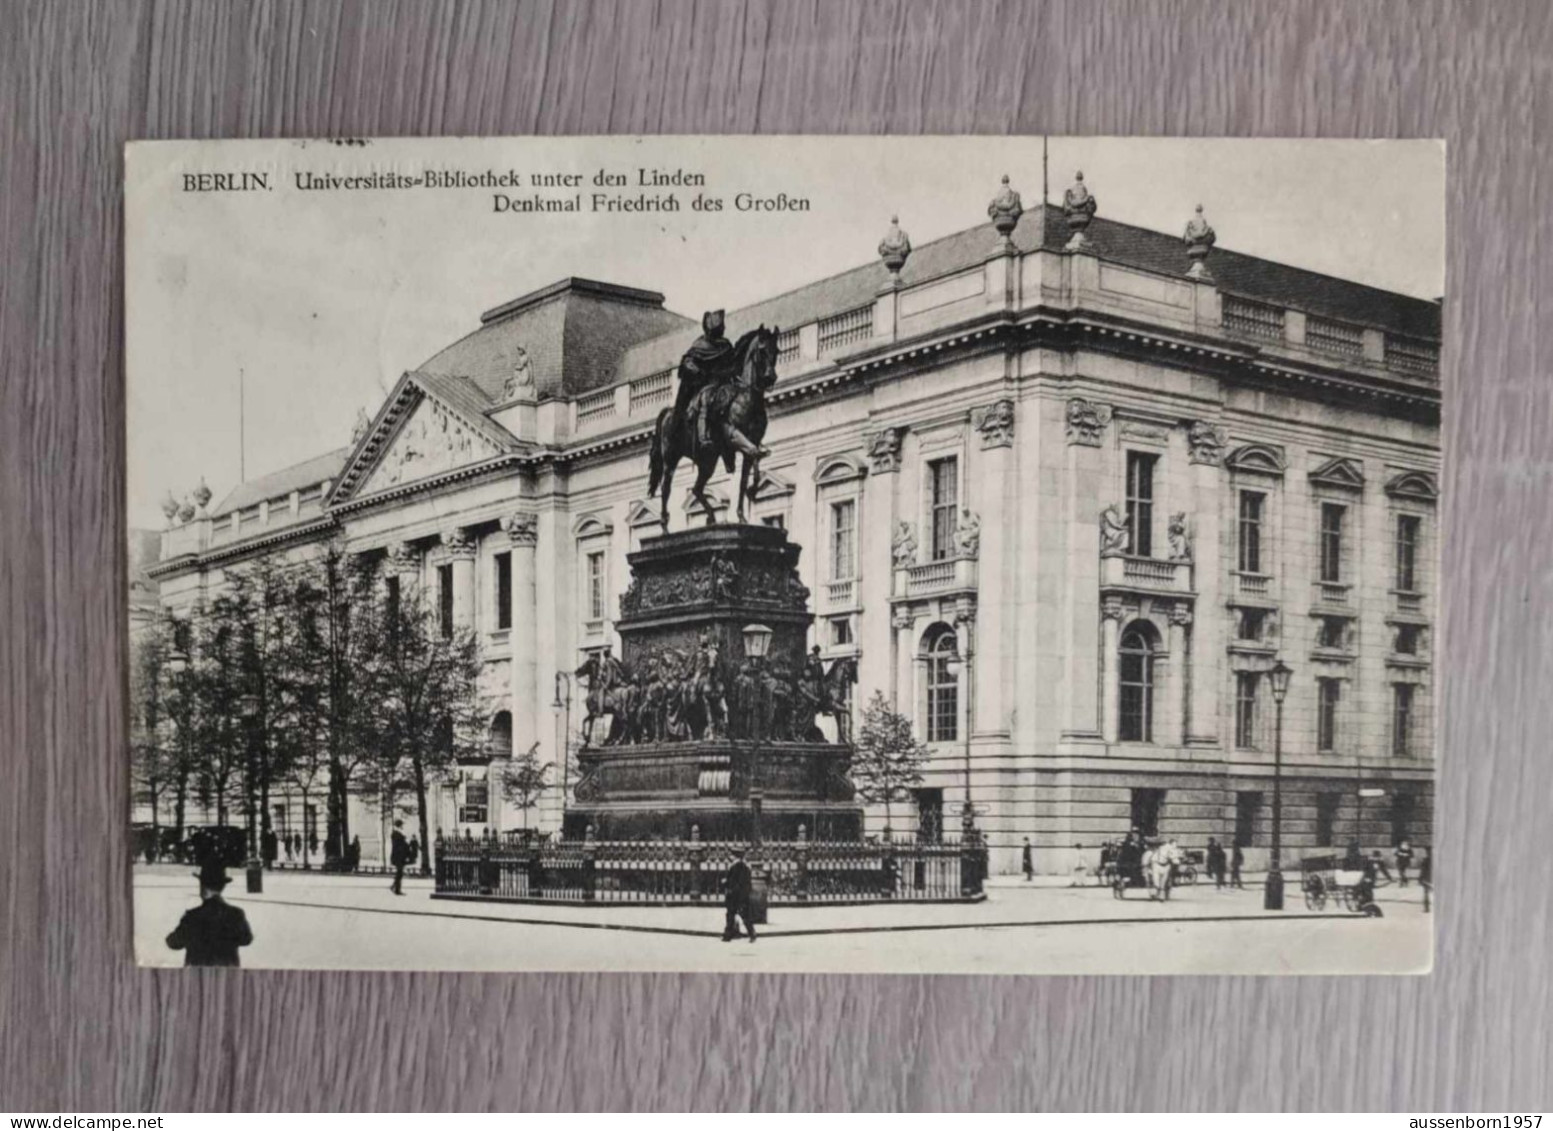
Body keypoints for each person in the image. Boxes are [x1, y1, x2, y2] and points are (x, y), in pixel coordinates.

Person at [674, 310, 741, 451]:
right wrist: (697, 371)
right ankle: (703, 436)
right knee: (706, 400)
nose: (721, 331)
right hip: (706, 384)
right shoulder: (700, 345)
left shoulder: (725, 345)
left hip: (724, 383)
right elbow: (687, 362)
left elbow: (733, 363)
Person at [165, 860, 253, 967]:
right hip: (227, 973)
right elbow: (246, 939)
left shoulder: (192, 916)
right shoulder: (236, 914)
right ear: (222, 887)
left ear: (203, 888)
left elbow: (173, 943)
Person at [721, 847, 756, 943]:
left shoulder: (738, 866)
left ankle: (750, 934)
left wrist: (726, 883)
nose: (729, 857)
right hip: (739, 895)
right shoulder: (743, 866)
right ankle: (728, 935)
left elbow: (736, 882)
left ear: (734, 856)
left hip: (736, 896)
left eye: (731, 855)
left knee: (737, 915)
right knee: (735, 915)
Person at [389, 821, 409, 895]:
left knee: (399, 872)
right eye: (401, 825)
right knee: (399, 872)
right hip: (398, 856)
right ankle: (396, 889)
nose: (402, 826)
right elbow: (399, 846)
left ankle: (394, 886)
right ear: (399, 825)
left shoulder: (397, 834)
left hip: (399, 856)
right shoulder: (396, 834)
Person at [1419, 847, 1432, 912]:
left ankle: (1426, 908)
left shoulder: (1425, 860)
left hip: (1427, 879)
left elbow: (1423, 870)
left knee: (1426, 894)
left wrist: (1420, 878)